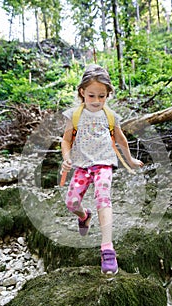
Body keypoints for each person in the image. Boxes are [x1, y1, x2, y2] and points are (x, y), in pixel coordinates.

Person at [61, 64, 144, 274]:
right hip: (81, 165)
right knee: (71, 202)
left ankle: (107, 249)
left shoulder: (110, 116)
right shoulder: (74, 115)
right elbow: (65, 141)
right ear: (82, 92)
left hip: (104, 164)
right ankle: (84, 216)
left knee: (103, 198)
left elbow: (120, 139)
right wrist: (66, 158)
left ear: (107, 94)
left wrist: (130, 159)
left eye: (102, 96)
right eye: (92, 95)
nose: (97, 101)